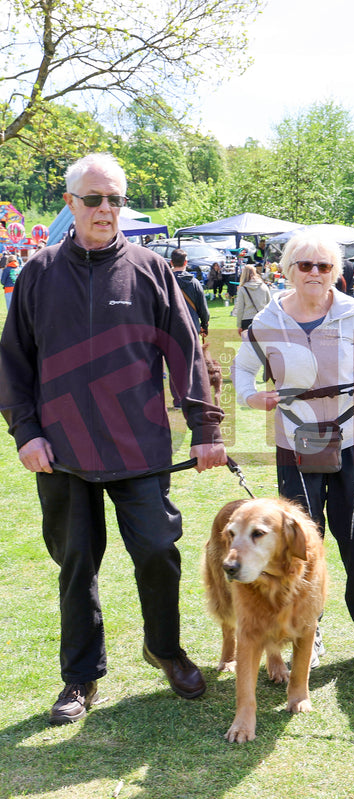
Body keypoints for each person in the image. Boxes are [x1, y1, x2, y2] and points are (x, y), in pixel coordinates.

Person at [0, 153, 227, 725]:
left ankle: (166, 649)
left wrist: (205, 429)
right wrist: (26, 433)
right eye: (94, 199)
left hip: (139, 447)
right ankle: (80, 677)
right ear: (71, 203)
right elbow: (13, 365)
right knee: (77, 562)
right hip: (62, 454)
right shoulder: (37, 274)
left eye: (116, 200)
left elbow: (187, 355)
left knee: (157, 551)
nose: (106, 210)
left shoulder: (152, 270)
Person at [232, 231, 354, 669]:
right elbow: (243, 369)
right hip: (295, 442)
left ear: (336, 272)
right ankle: (309, 627)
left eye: (324, 266)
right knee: (300, 540)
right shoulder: (267, 323)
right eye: (305, 265)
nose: (315, 273)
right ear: (288, 271)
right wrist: (251, 397)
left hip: (352, 438)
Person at [170, 248, 210, 336]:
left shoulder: (165, 282)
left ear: (171, 262)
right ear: (185, 262)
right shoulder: (194, 283)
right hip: (191, 326)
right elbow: (203, 309)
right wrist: (204, 325)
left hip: (171, 328)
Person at [234, 264, 271, 335]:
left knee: (248, 344)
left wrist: (239, 325)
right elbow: (269, 304)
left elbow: (240, 308)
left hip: (247, 319)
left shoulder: (242, 289)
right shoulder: (264, 286)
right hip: (262, 319)